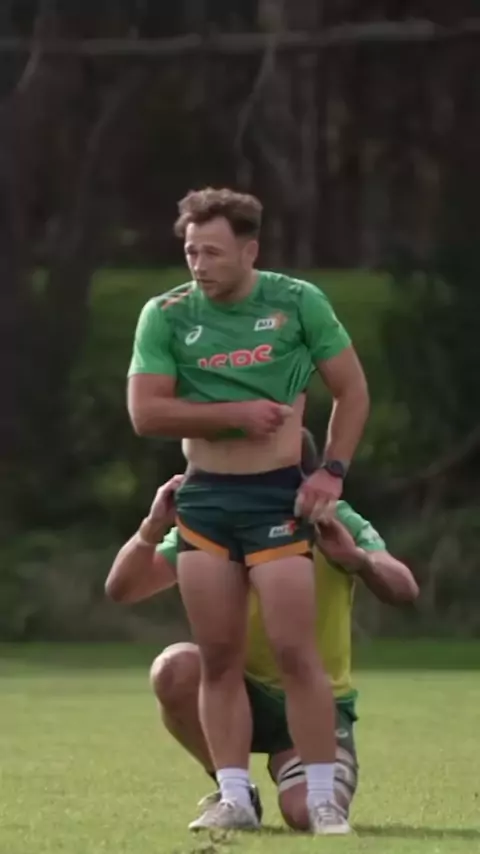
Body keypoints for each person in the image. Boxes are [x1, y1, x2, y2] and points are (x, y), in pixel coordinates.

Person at [127, 188, 370, 833]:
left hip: (275, 497)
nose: (198, 264)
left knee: (295, 652)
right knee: (218, 655)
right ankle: (234, 795)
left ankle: (323, 797)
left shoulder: (297, 302)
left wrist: (331, 472)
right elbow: (146, 413)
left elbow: (352, 391)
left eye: (212, 251)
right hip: (206, 498)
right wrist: (235, 414)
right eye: (190, 251)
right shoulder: (167, 314)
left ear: (250, 250)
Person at [105, 432, 419, 831]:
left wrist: (357, 560)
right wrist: (151, 528)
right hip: (241, 690)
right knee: (174, 669)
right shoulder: (210, 519)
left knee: (302, 814)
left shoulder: (334, 517)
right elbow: (123, 588)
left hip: (317, 698)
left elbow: (404, 589)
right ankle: (235, 792)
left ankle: (310, 773)